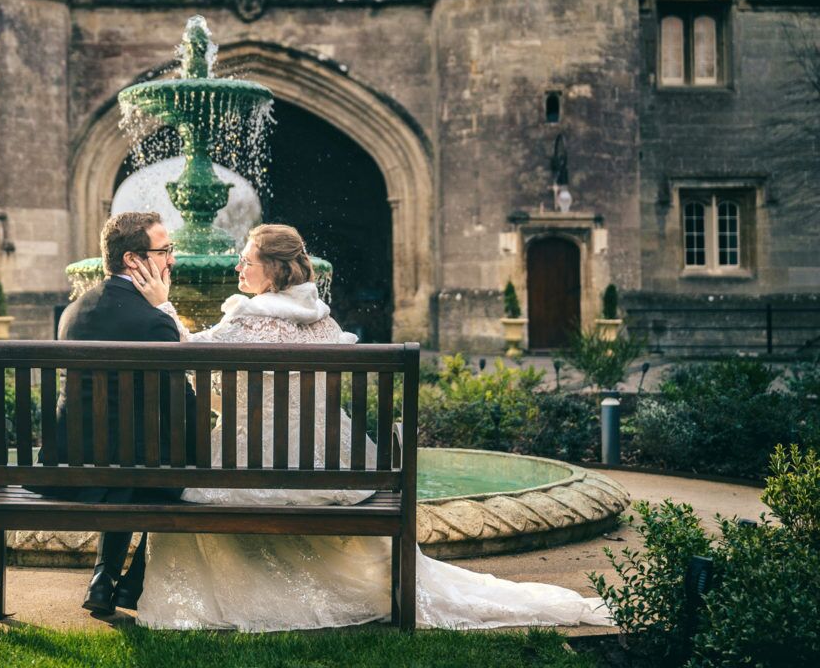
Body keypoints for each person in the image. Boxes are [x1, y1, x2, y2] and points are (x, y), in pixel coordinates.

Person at [127, 223, 612, 631]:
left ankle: (231, 603)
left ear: (273, 270)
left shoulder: (248, 323)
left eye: (246, 261)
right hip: (334, 475)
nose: (238, 269)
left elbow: (196, 372)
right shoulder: (324, 322)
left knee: (191, 489)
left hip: (251, 475)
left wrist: (162, 307)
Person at [30, 211, 196, 616]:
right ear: (134, 260)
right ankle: (132, 584)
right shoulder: (155, 322)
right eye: (165, 250)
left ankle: (103, 578)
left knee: (129, 457)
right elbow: (184, 405)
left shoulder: (73, 312)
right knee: (176, 465)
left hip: (67, 469)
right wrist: (165, 309)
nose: (172, 259)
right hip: (133, 474)